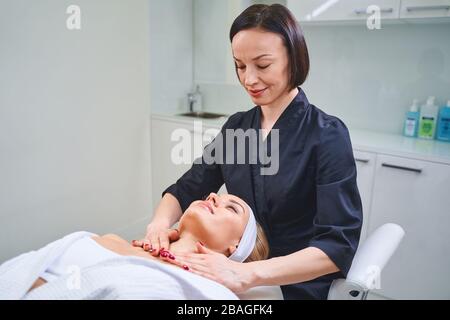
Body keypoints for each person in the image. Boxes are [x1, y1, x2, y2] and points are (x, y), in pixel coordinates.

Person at [140, 4, 363, 300]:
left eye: (263, 65)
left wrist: (247, 274)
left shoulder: (327, 135)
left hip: (292, 285)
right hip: (229, 273)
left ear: (293, 60)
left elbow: (337, 245)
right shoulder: (237, 128)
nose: (249, 80)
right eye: (240, 66)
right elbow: (187, 187)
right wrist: (158, 225)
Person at [0, 193, 269, 299]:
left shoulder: (206, 293)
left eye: (231, 208)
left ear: (233, 249)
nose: (213, 197)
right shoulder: (112, 240)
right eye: (215, 196)